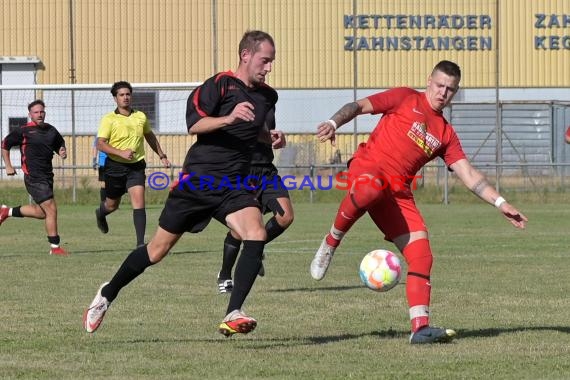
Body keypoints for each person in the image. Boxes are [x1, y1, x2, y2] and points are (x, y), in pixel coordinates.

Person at [310, 60, 528, 344]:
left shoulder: (445, 133)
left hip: (399, 193)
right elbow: (359, 106)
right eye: (439, 86)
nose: (443, 93)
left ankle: (420, 328)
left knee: (422, 254)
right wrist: (332, 122)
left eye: (450, 89)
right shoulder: (404, 97)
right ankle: (331, 242)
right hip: (368, 171)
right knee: (368, 191)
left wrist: (501, 203)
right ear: (429, 81)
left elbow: (468, 173)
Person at [83, 30, 278, 337]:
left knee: (255, 233)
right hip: (199, 179)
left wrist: (272, 137)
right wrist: (229, 118)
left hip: (235, 183)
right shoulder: (219, 85)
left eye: (271, 62)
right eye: (265, 60)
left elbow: (256, 131)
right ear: (246, 55)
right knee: (156, 251)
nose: (268, 68)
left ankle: (233, 312)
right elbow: (195, 125)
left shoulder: (268, 96)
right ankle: (107, 294)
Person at [216, 108, 293, 293]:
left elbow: (266, 131)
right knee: (239, 228)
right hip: (241, 171)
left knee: (286, 216)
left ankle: (253, 249)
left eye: (266, 75)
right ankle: (225, 275)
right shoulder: (234, 100)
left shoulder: (268, 100)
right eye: (261, 75)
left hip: (266, 171)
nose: (264, 76)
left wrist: (277, 136)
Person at [94, 81, 171, 247]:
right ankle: (101, 212)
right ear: (115, 98)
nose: (125, 97)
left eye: (128, 94)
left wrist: (162, 155)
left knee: (139, 201)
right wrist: (120, 152)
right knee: (112, 205)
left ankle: (140, 245)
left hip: (136, 167)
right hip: (114, 167)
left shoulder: (140, 116)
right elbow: (100, 144)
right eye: (121, 95)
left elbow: (149, 136)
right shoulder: (109, 119)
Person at [0, 99, 69, 256]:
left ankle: (6, 212)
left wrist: (62, 150)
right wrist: (9, 166)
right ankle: (55, 247)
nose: (39, 114)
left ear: (45, 112)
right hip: (33, 176)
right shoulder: (23, 131)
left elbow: (60, 143)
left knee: (42, 212)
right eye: (36, 112)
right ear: (30, 114)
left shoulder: (51, 130)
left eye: (41, 111)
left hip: (47, 176)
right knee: (51, 208)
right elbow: (5, 144)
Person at [92, 135, 108, 202]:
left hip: (114, 162)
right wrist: (94, 161)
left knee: (114, 183)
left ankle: (113, 203)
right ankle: (103, 203)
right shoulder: (100, 134)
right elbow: (95, 147)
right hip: (103, 163)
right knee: (104, 184)